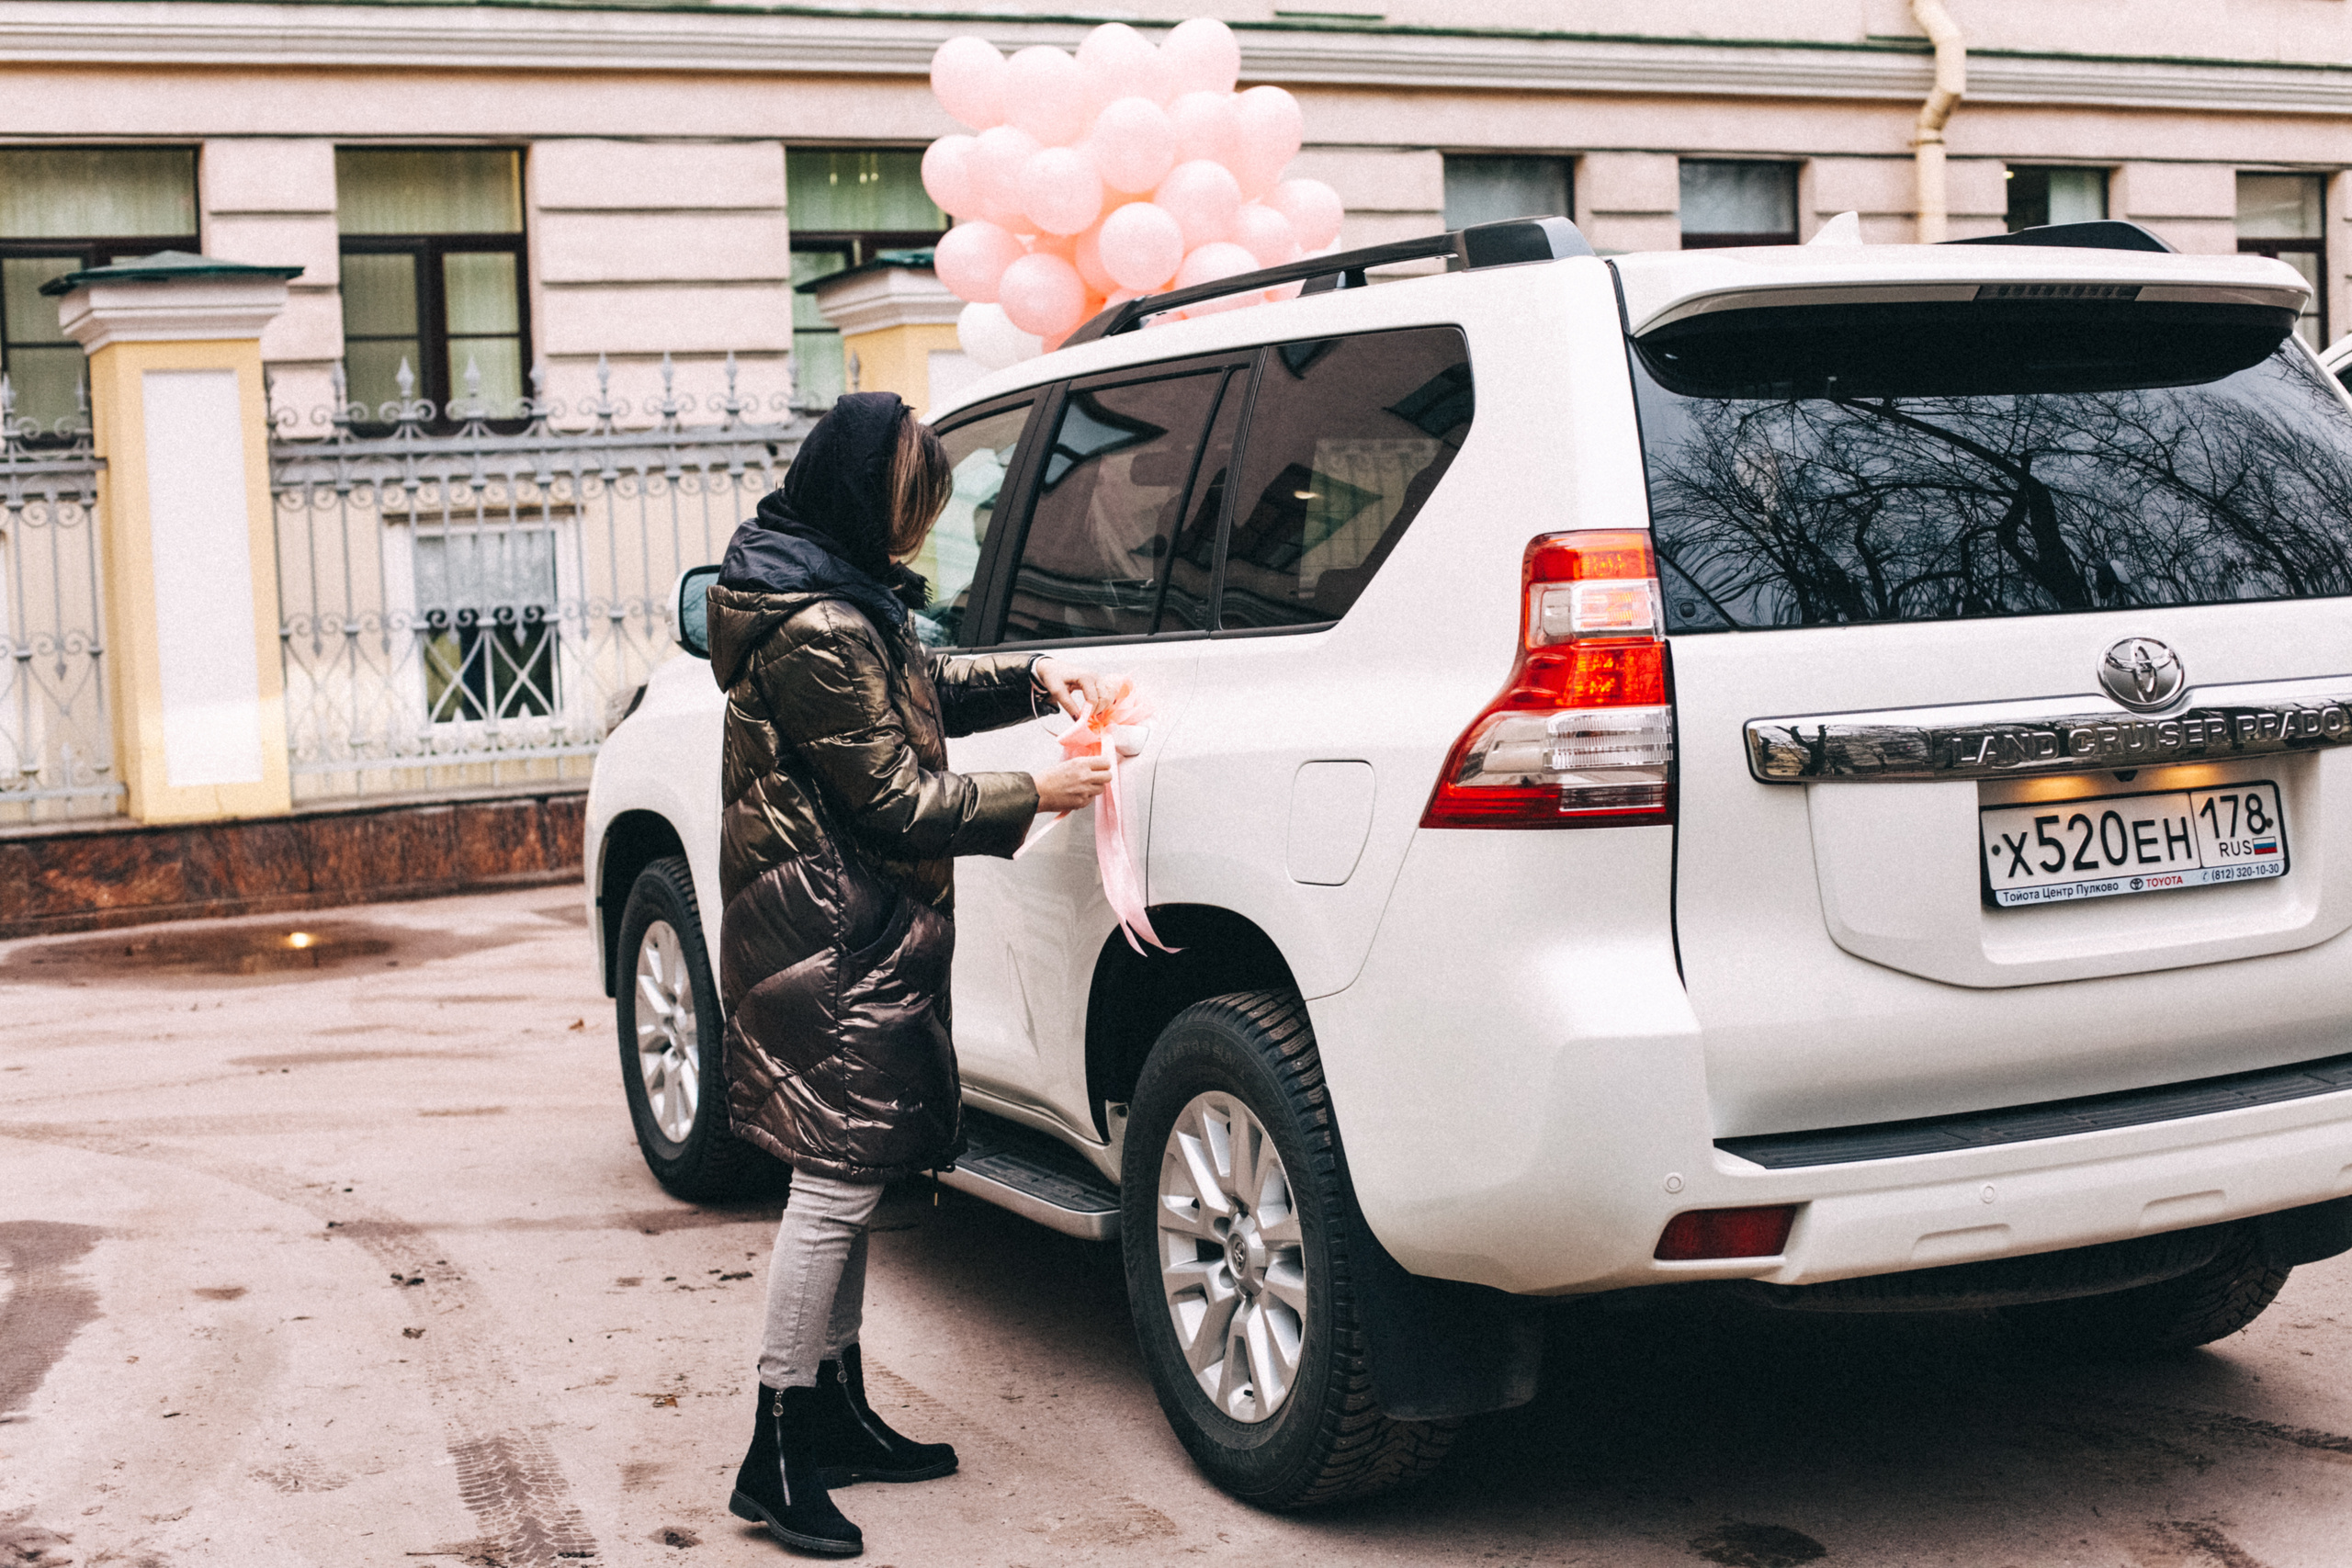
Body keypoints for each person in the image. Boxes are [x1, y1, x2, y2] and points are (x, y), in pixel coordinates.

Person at [705, 390, 1113, 1558]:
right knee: (834, 1185)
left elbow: (914, 697)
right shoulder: (822, 624)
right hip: (835, 937)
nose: (917, 532)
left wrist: (1033, 679)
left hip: (850, 929)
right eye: (909, 508)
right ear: (859, 502)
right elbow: (892, 798)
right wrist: (1040, 792)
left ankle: (833, 1414)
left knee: (853, 1174)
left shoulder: (832, 596)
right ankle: (776, 1448)